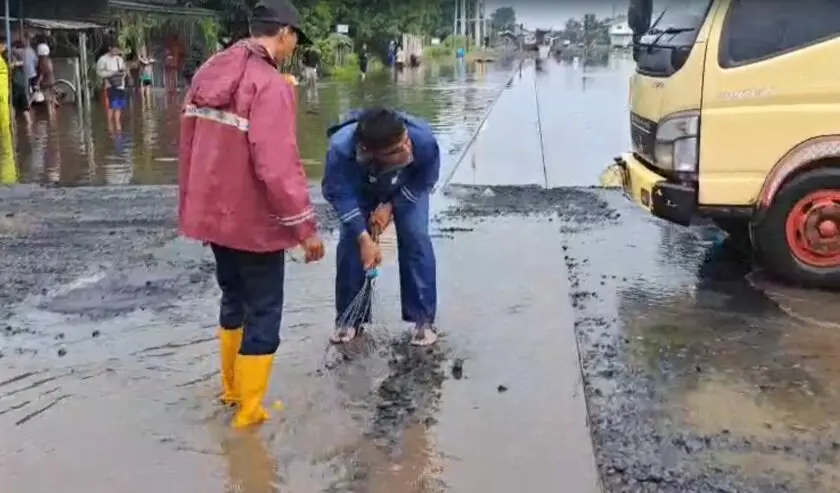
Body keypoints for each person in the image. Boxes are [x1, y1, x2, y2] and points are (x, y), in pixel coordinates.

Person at [179, 0, 324, 429]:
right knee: (264, 309)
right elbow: (277, 166)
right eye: (295, 38)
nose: (294, 47)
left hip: (213, 217)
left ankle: (231, 391)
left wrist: (194, 205)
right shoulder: (269, 84)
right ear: (284, 34)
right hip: (253, 224)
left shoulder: (208, 72)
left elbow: (187, 143)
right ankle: (249, 411)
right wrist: (305, 228)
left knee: (233, 299)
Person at [322, 108, 439, 347]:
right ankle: (349, 319)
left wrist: (391, 206)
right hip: (360, 188)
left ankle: (423, 319)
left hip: (405, 185)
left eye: (405, 141)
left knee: (415, 235)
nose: (406, 149)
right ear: (369, 152)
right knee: (351, 242)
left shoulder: (423, 140)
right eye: (395, 150)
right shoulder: (341, 150)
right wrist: (363, 237)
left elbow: (424, 179)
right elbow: (339, 193)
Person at [96, 43, 128, 131]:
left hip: (120, 86)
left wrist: (122, 75)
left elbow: (124, 70)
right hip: (110, 86)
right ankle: (111, 130)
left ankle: (118, 129)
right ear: (110, 48)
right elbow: (99, 72)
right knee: (111, 108)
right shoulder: (103, 59)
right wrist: (111, 74)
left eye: (117, 50)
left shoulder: (119, 59)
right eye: (115, 50)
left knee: (119, 107)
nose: (116, 52)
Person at [10, 41, 32, 128]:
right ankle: (29, 125)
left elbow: (16, 64)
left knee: (13, 106)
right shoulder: (24, 56)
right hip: (22, 85)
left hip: (17, 86)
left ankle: (14, 126)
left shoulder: (17, 58)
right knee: (24, 108)